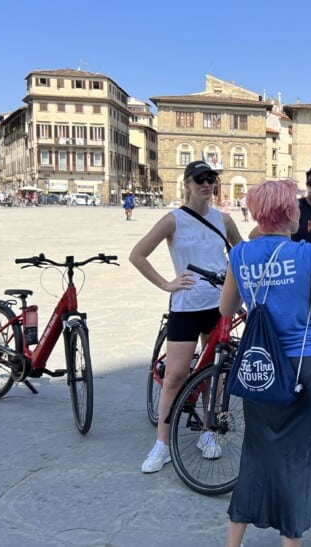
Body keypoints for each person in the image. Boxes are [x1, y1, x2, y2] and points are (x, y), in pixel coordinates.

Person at [221, 179, 311, 547]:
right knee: (298, 460)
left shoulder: (239, 254)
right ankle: (291, 542)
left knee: (256, 452)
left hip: (261, 367)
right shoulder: (308, 255)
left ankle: (233, 541)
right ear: (290, 212)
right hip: (305, 365)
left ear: (258, 214)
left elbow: (226, 309)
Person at [130, 160, 242, 473]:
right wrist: (167, 283)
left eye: (211, 179)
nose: (207, 184)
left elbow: (242, 255)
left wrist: (239, 287)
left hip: (219, 305)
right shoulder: (173, 220)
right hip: (186, 305)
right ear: (187, 184)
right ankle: (162, 443)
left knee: (215, 373)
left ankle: (210, 431)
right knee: (176, 375)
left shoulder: (225, 220)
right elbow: (137, 255)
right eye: (200, 179)